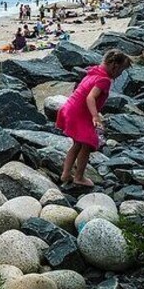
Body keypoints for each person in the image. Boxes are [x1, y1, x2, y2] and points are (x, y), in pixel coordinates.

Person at [56, 50, 131, 187]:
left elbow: (81, 90)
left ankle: (66, 174)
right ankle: (79, 177)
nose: (120, 75)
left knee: (77, 144)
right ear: (114, 66)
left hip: (70, 108)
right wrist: (95, 117)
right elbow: (90, 97)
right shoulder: (104, 80)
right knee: (87, 144)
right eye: (121, 71)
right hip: (80, 114)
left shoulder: (94, 72)